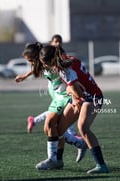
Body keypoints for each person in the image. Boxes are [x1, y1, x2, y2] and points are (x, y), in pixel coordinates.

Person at [15, 42, 87, 170]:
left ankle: (54, 159)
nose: (31, 63)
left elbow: (70, 76)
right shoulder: (41, 64)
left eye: (31, 60)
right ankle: (78, 144)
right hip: (57, 96)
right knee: (49, 128)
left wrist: (76, 95)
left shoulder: (52, 62)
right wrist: (24, 76)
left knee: (52, 126)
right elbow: (35, 69)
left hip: (66, 95)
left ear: (39, 56)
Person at [38, 45, 109, 174]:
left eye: (45, 63)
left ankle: (101, 165)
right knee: (59, 129)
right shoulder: (66, 60)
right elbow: (75, 88)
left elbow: (78, 91)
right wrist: (72, 94)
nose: (45, 66)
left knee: (83, 128)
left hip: (93, 97)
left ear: (52, 60)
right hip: (81, 97)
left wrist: (72, 94)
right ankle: (58, 161)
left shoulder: (64, 69)